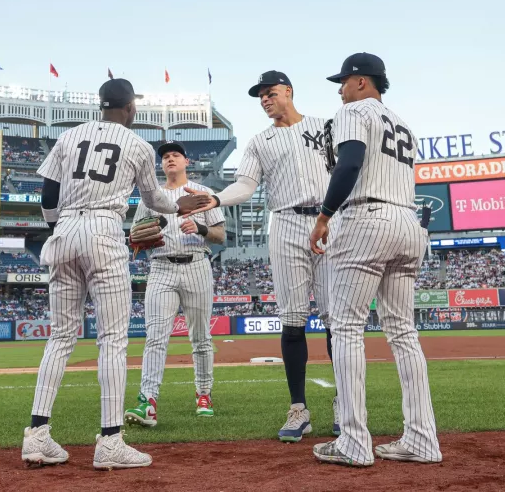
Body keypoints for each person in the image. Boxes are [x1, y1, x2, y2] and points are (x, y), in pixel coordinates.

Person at [20, 78, 208, 470]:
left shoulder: (69, 136)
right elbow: (154, 199)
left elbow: (48, 195)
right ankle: (110, 441)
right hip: (104, 230)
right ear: (130, 108)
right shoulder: (138, 145)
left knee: (60, 336)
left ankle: (36, 436)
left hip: (64, 231)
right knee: (113, 340)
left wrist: (59, 228)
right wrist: (180, 205)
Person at [184, 71, 339, 442]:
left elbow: (349, 170)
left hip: (329, 220)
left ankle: (346, 401)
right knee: (292, 318)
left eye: (270, 93)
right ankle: (298, 408)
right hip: (285, 223)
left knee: (339, 319)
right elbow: (245, 184)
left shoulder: (327, 127)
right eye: (260, 97)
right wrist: (217, 198)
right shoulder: (260, 141)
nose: (265, 100)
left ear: (288, 91)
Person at [309, 52, 442, 467]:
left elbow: (349, 163)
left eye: (344, 81)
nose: (340, 89)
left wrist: (325, 215)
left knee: (346, 327)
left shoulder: (353, 110)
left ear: (363, 82)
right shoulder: (403, 124)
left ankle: (353, 441)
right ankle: (422, 439)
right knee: (403, 332)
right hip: (408, 222)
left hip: (367, 217)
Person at [124, 140, 226, 427]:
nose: (170, 159)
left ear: (185, 162)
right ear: (162, 164)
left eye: (175, 155)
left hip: (196, 263)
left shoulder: (202, 193)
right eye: (165, 156)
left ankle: (204, 394)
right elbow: (135, 239)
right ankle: (148, 401)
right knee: (156, 337)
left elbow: (220, 236)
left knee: (201, 338)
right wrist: (159, 225)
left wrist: (201, 227)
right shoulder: (150, 198)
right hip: (160, 267)